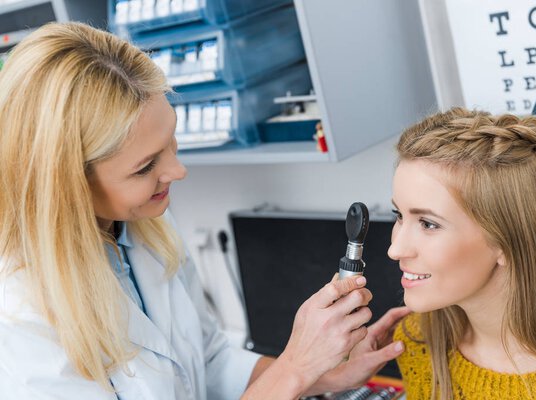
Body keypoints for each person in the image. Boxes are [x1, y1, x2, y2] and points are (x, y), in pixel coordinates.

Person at [0, 22, 409, 400]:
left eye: (172, 141)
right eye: (145, 167)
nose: (177, 172)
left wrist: (324, 372)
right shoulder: (19, 319)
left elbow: (211, 362)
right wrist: (294, 368)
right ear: (65, 185)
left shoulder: (144, 226)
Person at [388, 107, 536, 399]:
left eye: (428, 224)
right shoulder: (417, 342)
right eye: (398, 215)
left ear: (508, 239)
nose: (394, 249)